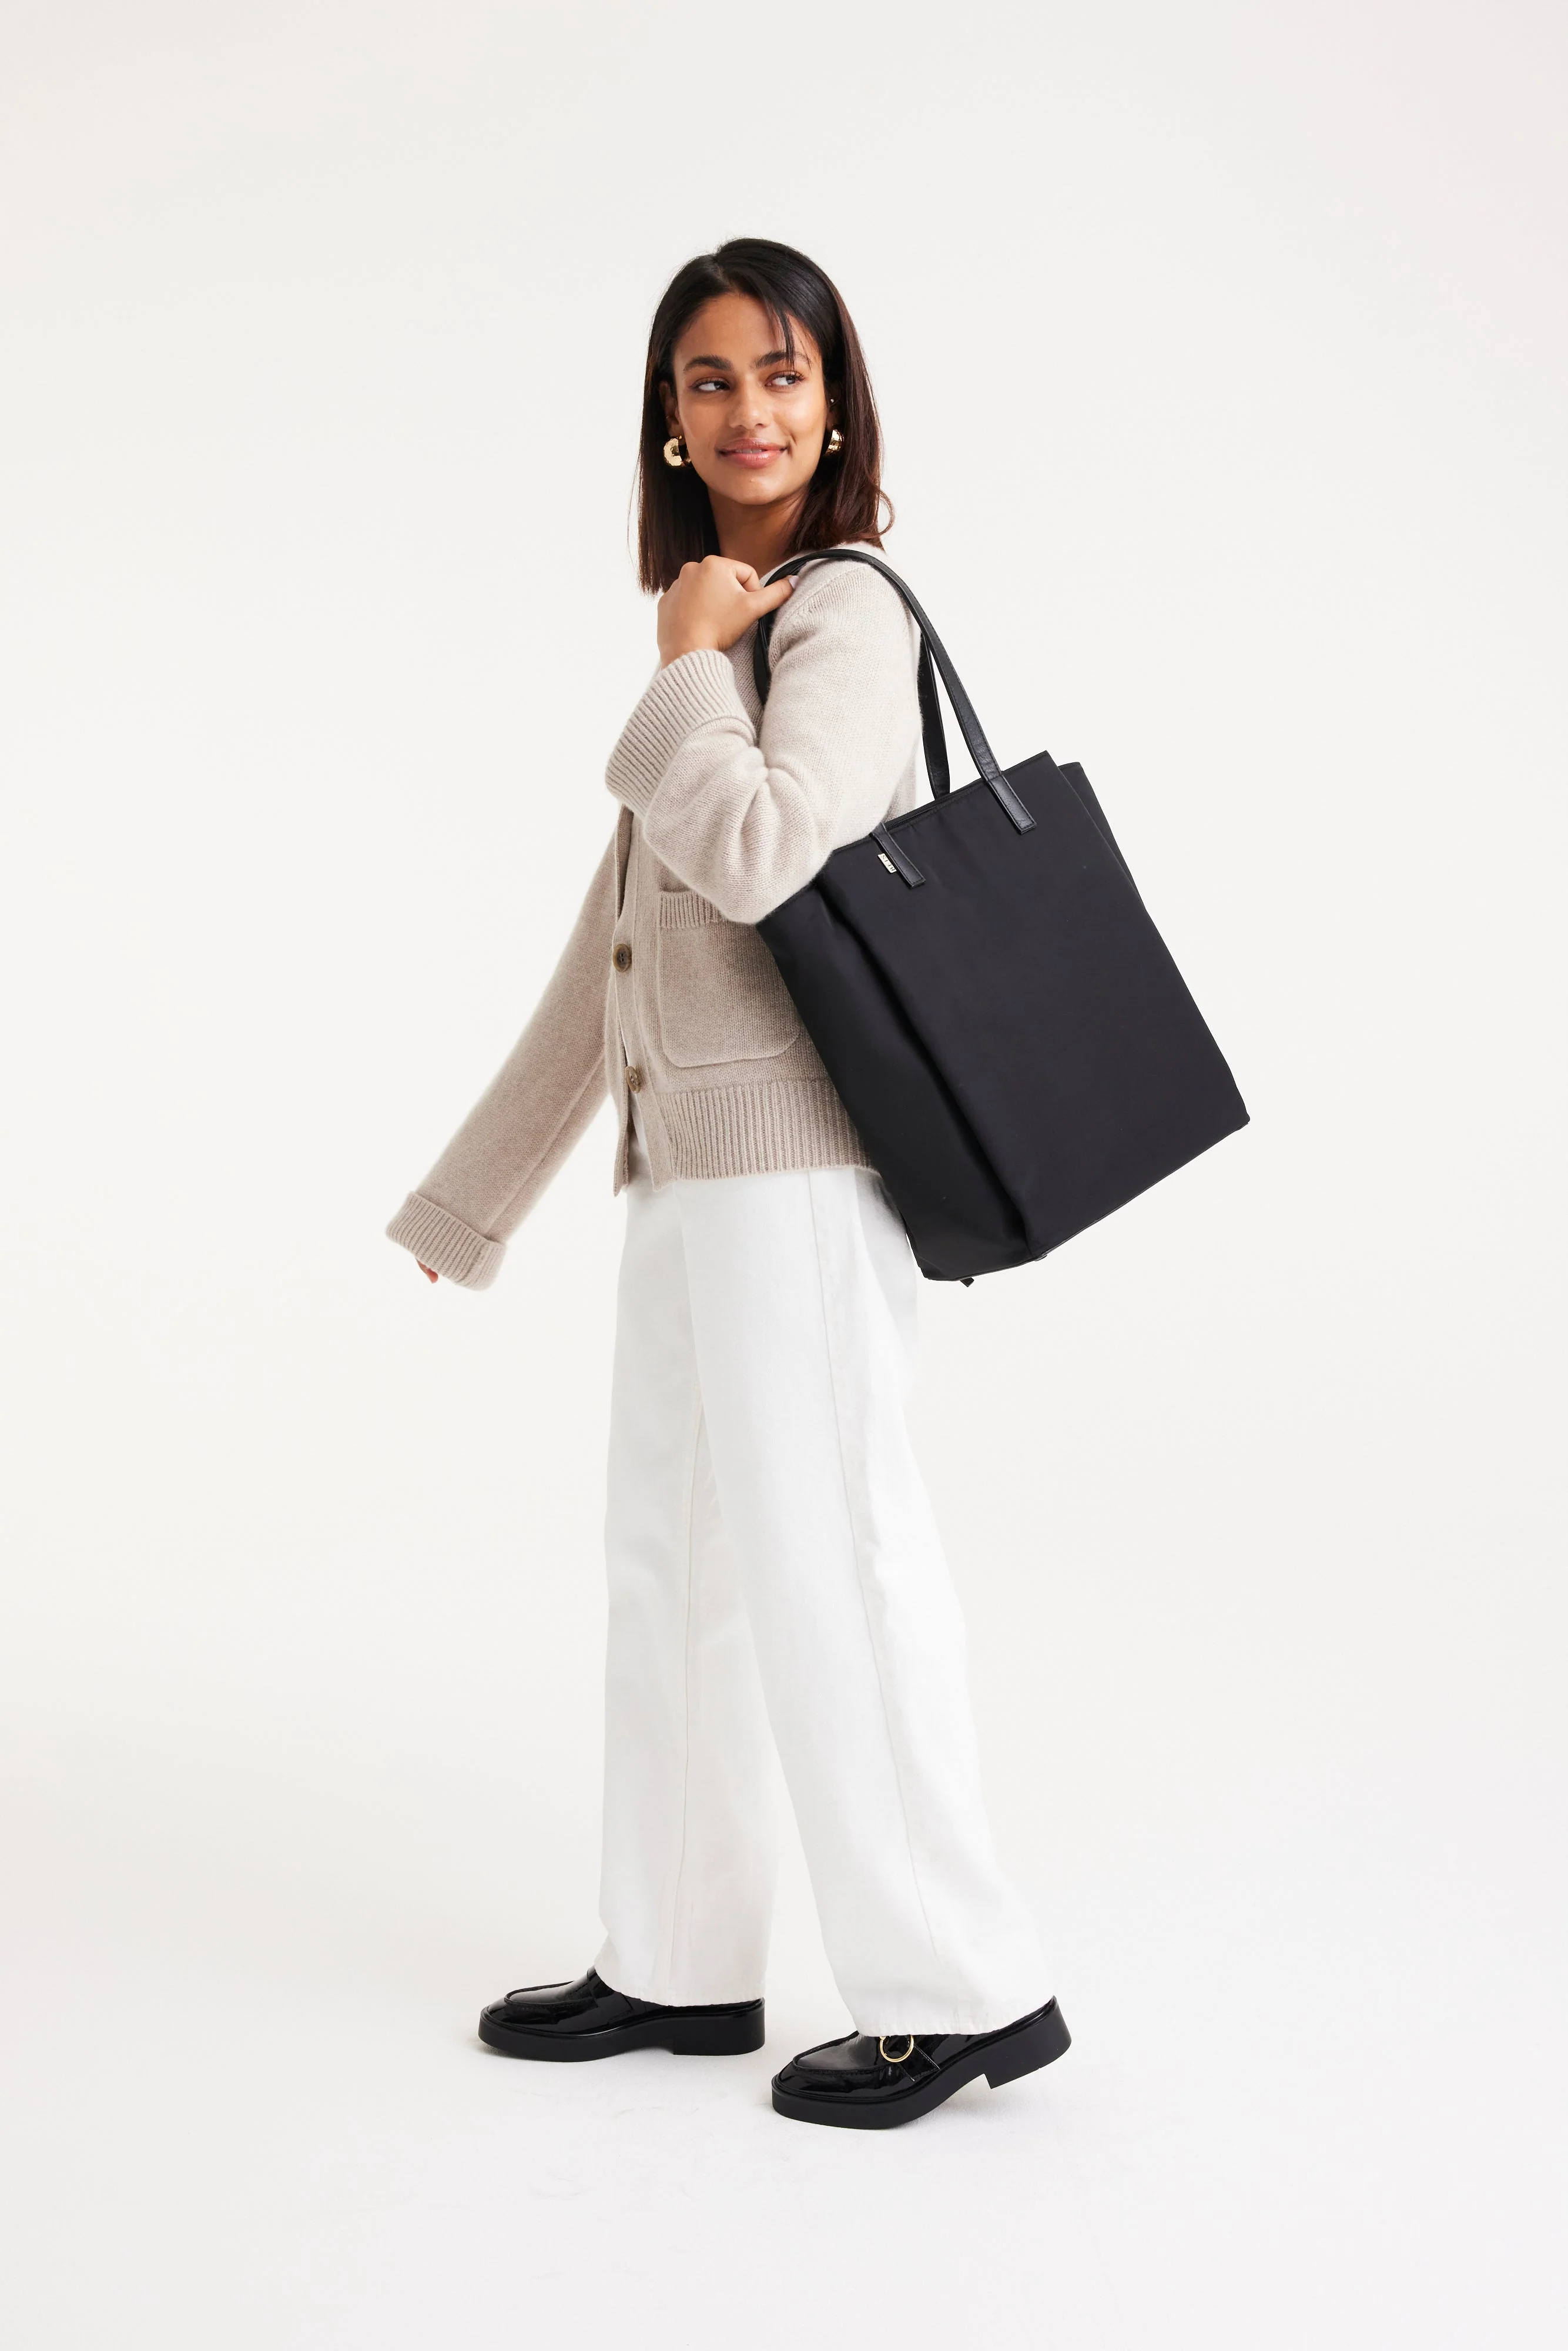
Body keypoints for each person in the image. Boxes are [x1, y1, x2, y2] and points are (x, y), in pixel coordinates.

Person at [386, 237, 1069, 2129]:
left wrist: (688, 668)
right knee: (672, 1556)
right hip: (685, 1171)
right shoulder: (729, 625)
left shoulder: (834, 618)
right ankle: (677, 1961)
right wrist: (472, 1200)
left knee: (835, 1554)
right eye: (708, 380)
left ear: (835, 405)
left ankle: (959, 1988)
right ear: (667, 422)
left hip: (801, 1174)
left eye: (781, 373)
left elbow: (764, 850)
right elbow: (617, 957)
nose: (748, 410)